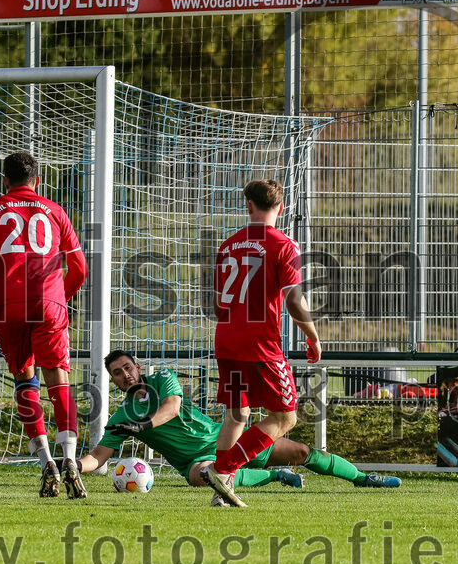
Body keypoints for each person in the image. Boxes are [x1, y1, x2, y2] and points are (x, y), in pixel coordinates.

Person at [75, 350, 399, 499]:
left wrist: (144, 426)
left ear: (138, 366)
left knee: (302, 451)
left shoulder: (162, 379)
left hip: (227, 442)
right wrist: (76, 466)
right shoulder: (121, 417)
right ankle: (274, 476)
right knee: (203, 475)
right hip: (194, 461)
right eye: (117, 373)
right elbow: (99, 456)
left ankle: (362, 478)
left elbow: (171, 408)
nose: (125, 374)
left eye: (127, 367)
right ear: (114, 380)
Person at [0, 152, 88, 499]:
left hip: (6, 306)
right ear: (38, 180)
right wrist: (59, 297)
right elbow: (79, 267)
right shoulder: (55, 211)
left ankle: (45, 460)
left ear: (4, 181)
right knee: (57, 376)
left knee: (24, 378)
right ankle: (69, 459)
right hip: (49, 303)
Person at [202, 178, 322, 507]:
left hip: (226, 339)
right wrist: (313, 337)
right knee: (285, 417)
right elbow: (295, 301)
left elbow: (215, 307)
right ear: (281, 208)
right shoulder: (284, 244)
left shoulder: (228, 245)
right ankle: (223, 468)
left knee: (237, 415)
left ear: (248, 205)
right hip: (260, 343)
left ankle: (221, 493)